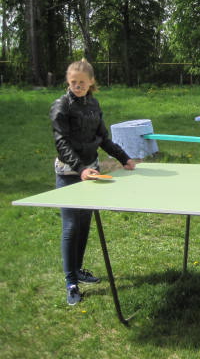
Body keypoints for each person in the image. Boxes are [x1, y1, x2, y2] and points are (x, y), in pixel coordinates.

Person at [50, 59, 136, 306]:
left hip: (92, 172)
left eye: (81, 82)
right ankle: (71, 283)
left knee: (85, 223)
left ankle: (77, 270)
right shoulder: (61, 106)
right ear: (68, 82)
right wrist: (80, 169)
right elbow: (61, 143)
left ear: (91, 82)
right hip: (69, 172)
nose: (77, 86)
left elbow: (102, 138)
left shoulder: (94, 105)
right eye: (73, 82)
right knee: (70, 226)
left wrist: (124, 158)